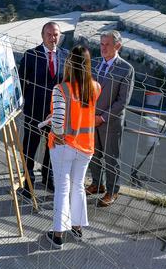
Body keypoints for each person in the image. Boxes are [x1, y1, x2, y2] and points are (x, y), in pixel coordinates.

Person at [41, 45, 101, 249]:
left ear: (69, 63)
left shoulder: (61, 89)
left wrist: (57, 133)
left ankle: (58, 233)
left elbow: (59, 119)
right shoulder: (95, 87)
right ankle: (77, 227)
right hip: (86, 146)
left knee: (62, 189)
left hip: (64, 144)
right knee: (78, 186)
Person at [86, 31, 134, 207]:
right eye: (101, 44)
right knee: (94, 154)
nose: (103, 48)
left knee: (111, 158)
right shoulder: (96, 64)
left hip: (110, 123)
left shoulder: (126, 69)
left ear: (117, 46)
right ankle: (97, 183)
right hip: (91, 120)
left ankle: (112, 191)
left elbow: (122, 101)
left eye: (107, 44)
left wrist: (102, 118)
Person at [18, 21, 64, 196]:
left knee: (53, 146)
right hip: (34, 111)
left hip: (55, 112)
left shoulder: (64, 56)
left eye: (56, 35)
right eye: (49, 35)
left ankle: (47, 175)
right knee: (30, 146)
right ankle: (28, 180)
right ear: (43, 36)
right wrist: (23, 104)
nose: (53, 38)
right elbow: (21, 81)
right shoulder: (31, 55)